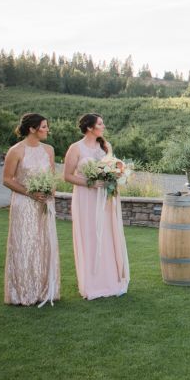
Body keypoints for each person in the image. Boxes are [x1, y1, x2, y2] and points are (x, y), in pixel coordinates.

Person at [63, 113, 129, 300]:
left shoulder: (106, 146)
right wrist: (90, 184)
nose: (104, 126)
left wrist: (116, 176)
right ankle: (92, 283)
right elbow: (67, 176)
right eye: (100, 124)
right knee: (90, 235)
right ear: (89, 128)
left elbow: (112, 169)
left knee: (107, 235)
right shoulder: (75, 148)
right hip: (86, 198)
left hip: (105, 198)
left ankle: (110, 280)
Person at [1, 113, 60, 307]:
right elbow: (7, 179)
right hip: (24, 204)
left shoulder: (49, 150)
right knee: (25, 244)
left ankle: (44, 290)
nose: (47, 129)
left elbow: (52, 176)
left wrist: (50, 191)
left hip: (44, 204)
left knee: (44, 244)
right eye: (44, 126)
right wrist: (30, 193)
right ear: (32, 129)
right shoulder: (16, 151)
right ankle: (23, 292)